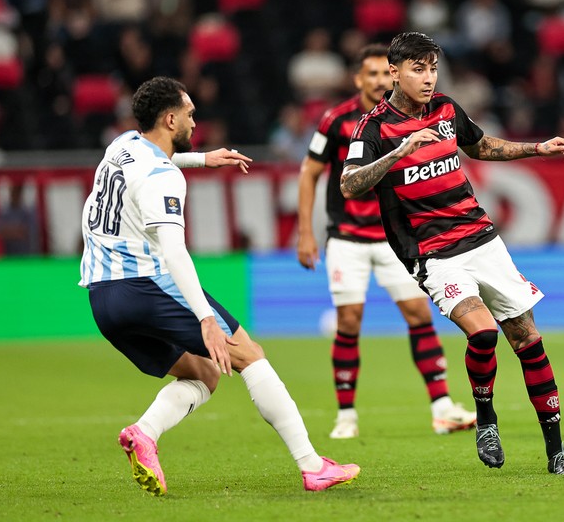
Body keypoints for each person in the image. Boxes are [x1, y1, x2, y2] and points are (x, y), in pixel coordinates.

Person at [79, 76, 359, 495]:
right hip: (145, 286)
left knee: (205, 375)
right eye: (190, 114)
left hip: (103, 299)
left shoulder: (121, 145)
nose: (195, 121)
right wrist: (206, 318)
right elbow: (174, 252)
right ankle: (312, 465)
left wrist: (201, 159)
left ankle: (144, 433)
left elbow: (150, 164)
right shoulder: (163, 179)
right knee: (250, 354)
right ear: (170, 118)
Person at [340, 32, 564, 474]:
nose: (428, 77)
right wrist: (399, 152)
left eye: (432, 67)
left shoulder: (448, 109)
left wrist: (537, 147)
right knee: (484, 333)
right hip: (433, 252)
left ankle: (557, 452)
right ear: (394, 72)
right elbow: (349, 183)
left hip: (483, 239)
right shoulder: (373, 128)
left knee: (528, 339)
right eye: (418, 68)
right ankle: (485, 418)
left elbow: (481, 145)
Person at [297, 44, 476, 439]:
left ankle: (442, 407)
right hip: (346, 237)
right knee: (349, 320)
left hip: (392, 235)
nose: (379, 80)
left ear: (392, 75)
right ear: (359, 79)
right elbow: (309, 172)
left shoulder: (410, 116)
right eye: (371, 74)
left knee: (417, 314)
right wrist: (306, 231)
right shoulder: (337, 120)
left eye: (384, 73)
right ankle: (346, 415)